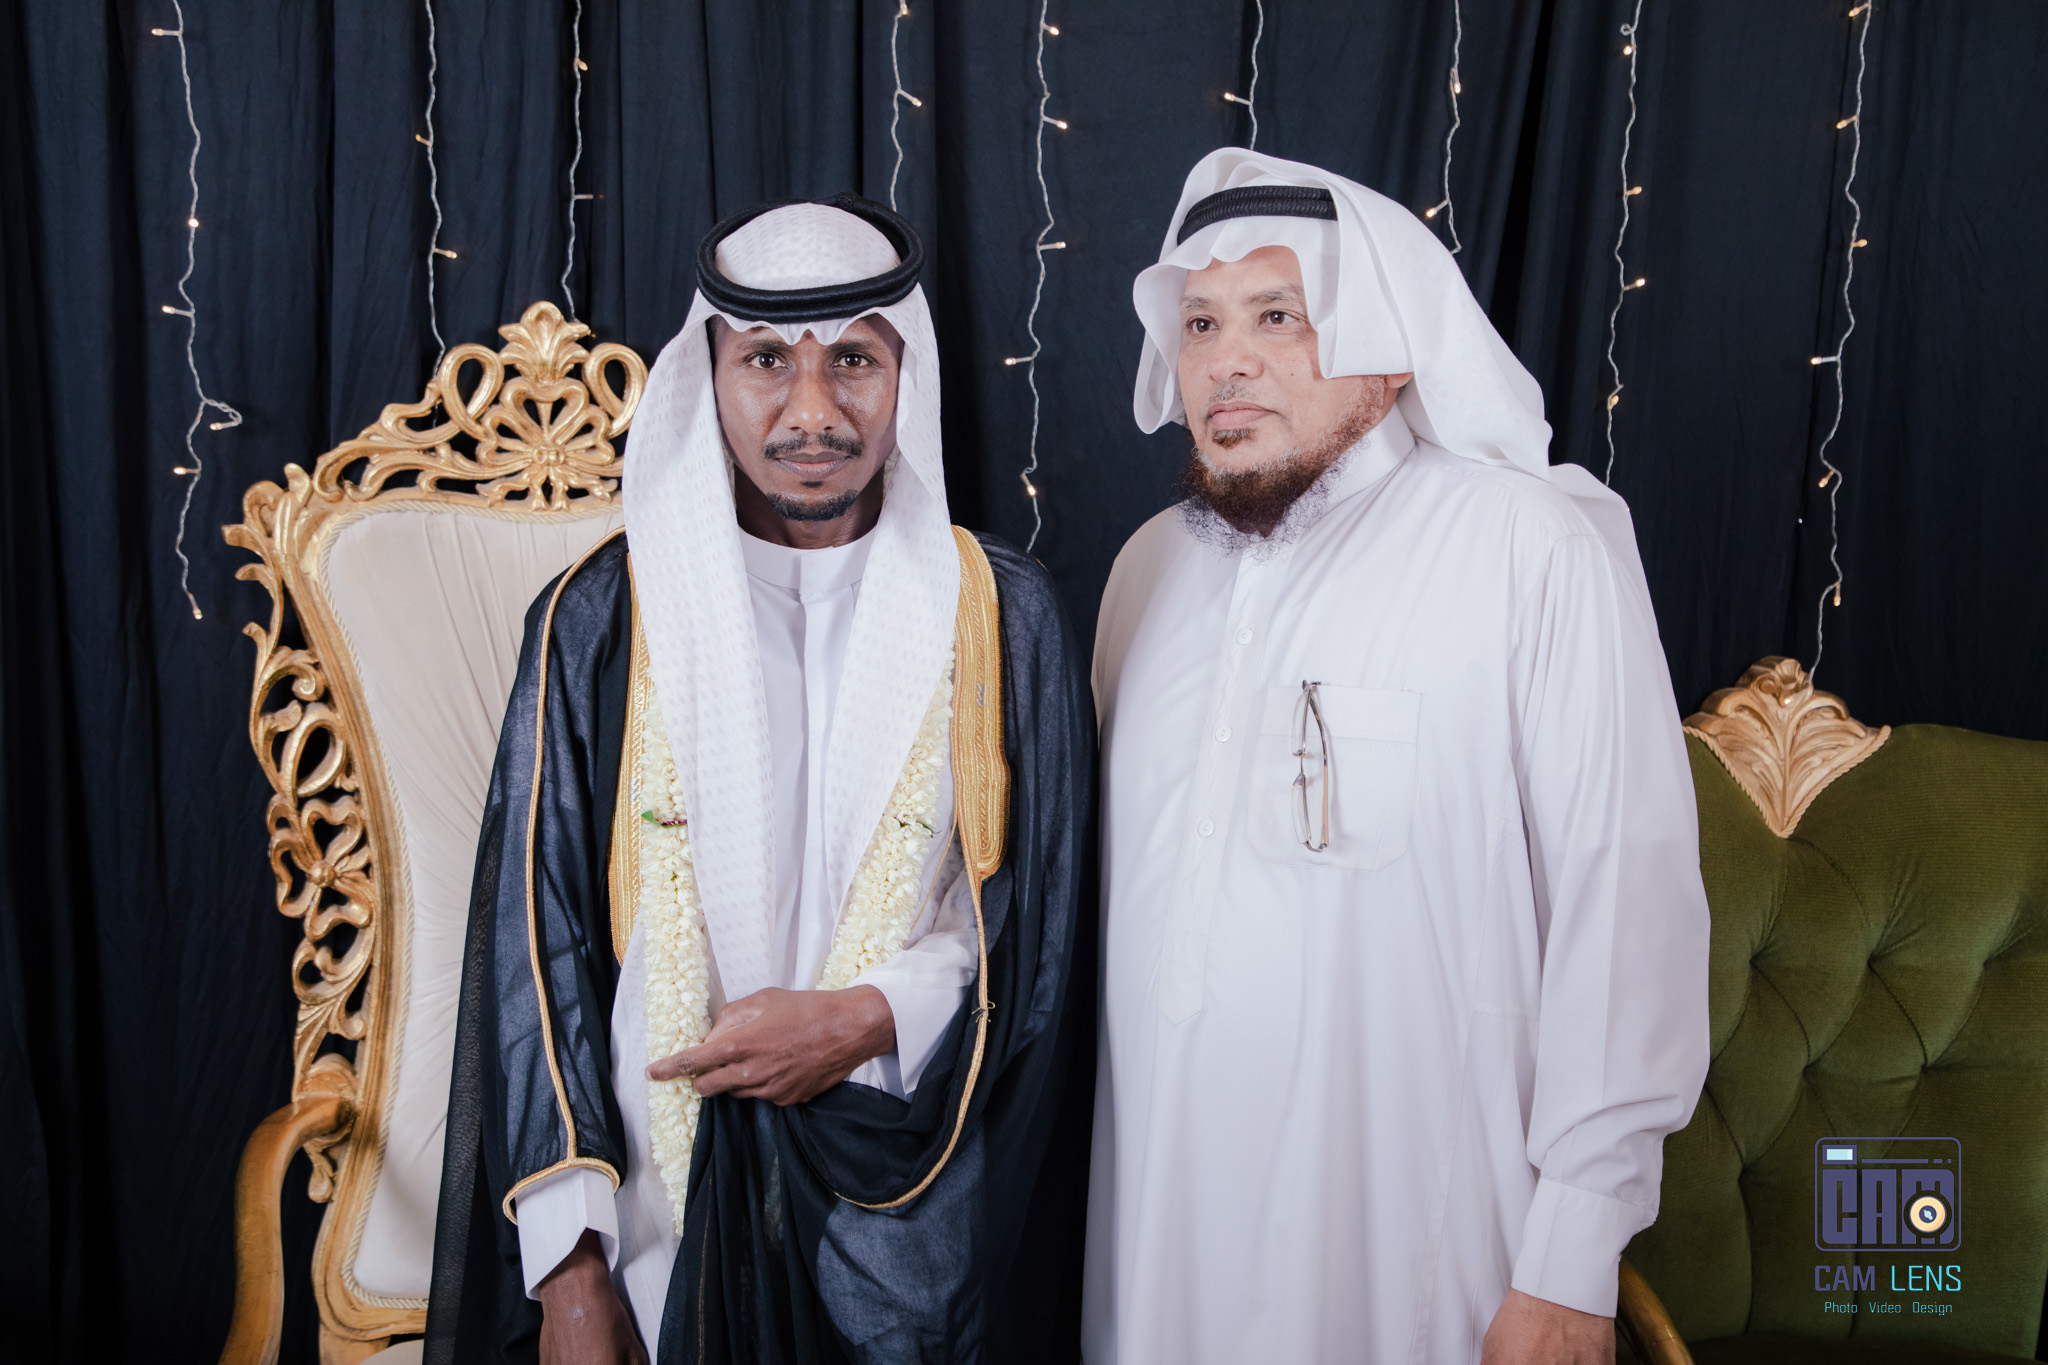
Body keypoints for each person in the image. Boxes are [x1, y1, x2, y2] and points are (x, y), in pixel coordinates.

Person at [422, 196, 1095, 1365]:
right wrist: (570, 1274)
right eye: (767, 361)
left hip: (911, 1208)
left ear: (907, 373)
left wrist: (865, 1019)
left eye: (854, 361)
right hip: (648, 1222)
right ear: (710, 375)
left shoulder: (1000, 613)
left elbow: (1034, 927)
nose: (812, 412)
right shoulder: (600, 617)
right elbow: (537, 948)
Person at [1083, 150, 1711, 1363]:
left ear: (1388, 348)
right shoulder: (1144, 573)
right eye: (1200, 323)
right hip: (1156, 1232)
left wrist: (1571, 1262)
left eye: (1277, 316)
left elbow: (1620, 909)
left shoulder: (1528, 546)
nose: (1226, 360)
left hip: (1417, 1244)